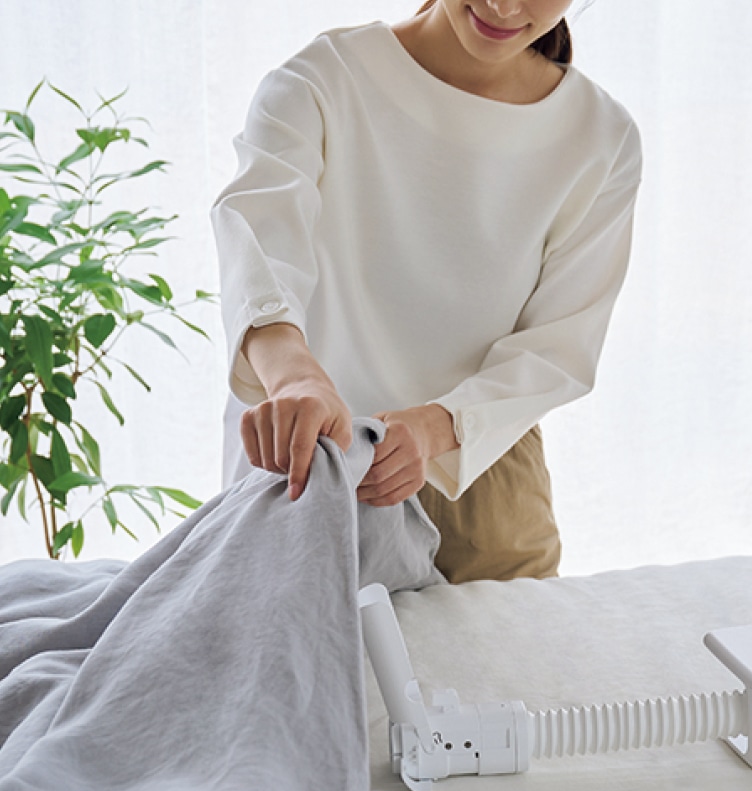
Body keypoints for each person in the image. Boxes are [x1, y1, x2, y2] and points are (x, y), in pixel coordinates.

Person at [211, 0, 641, 582]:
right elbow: (258, 244)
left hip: (482, 470)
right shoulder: (324, 78)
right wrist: (294, 377)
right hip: (310, 454)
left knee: (514, 646)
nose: (504, 7)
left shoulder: (601, 137)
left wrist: (435, 427)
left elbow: (559, 345)